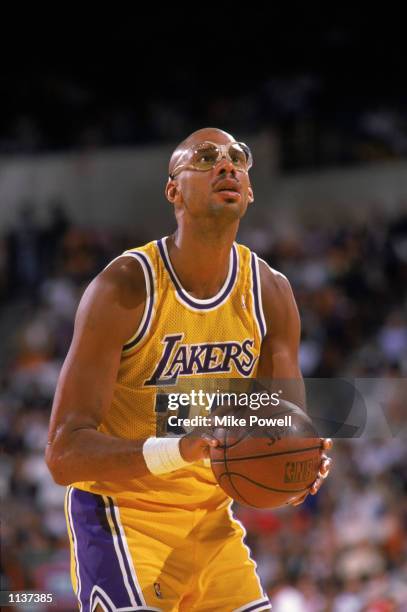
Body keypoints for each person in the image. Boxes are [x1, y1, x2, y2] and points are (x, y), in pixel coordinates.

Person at [46, 127, 332, 612]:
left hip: (211, 521)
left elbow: (279, 420)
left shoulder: (271, 293)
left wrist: (299, 461)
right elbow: (63, 453)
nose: (226, 165)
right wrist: (180, 446)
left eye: (238, 158)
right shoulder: (124, 287)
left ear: (250, 188)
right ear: (173, 190)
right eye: (205, 157)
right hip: (122, 518)